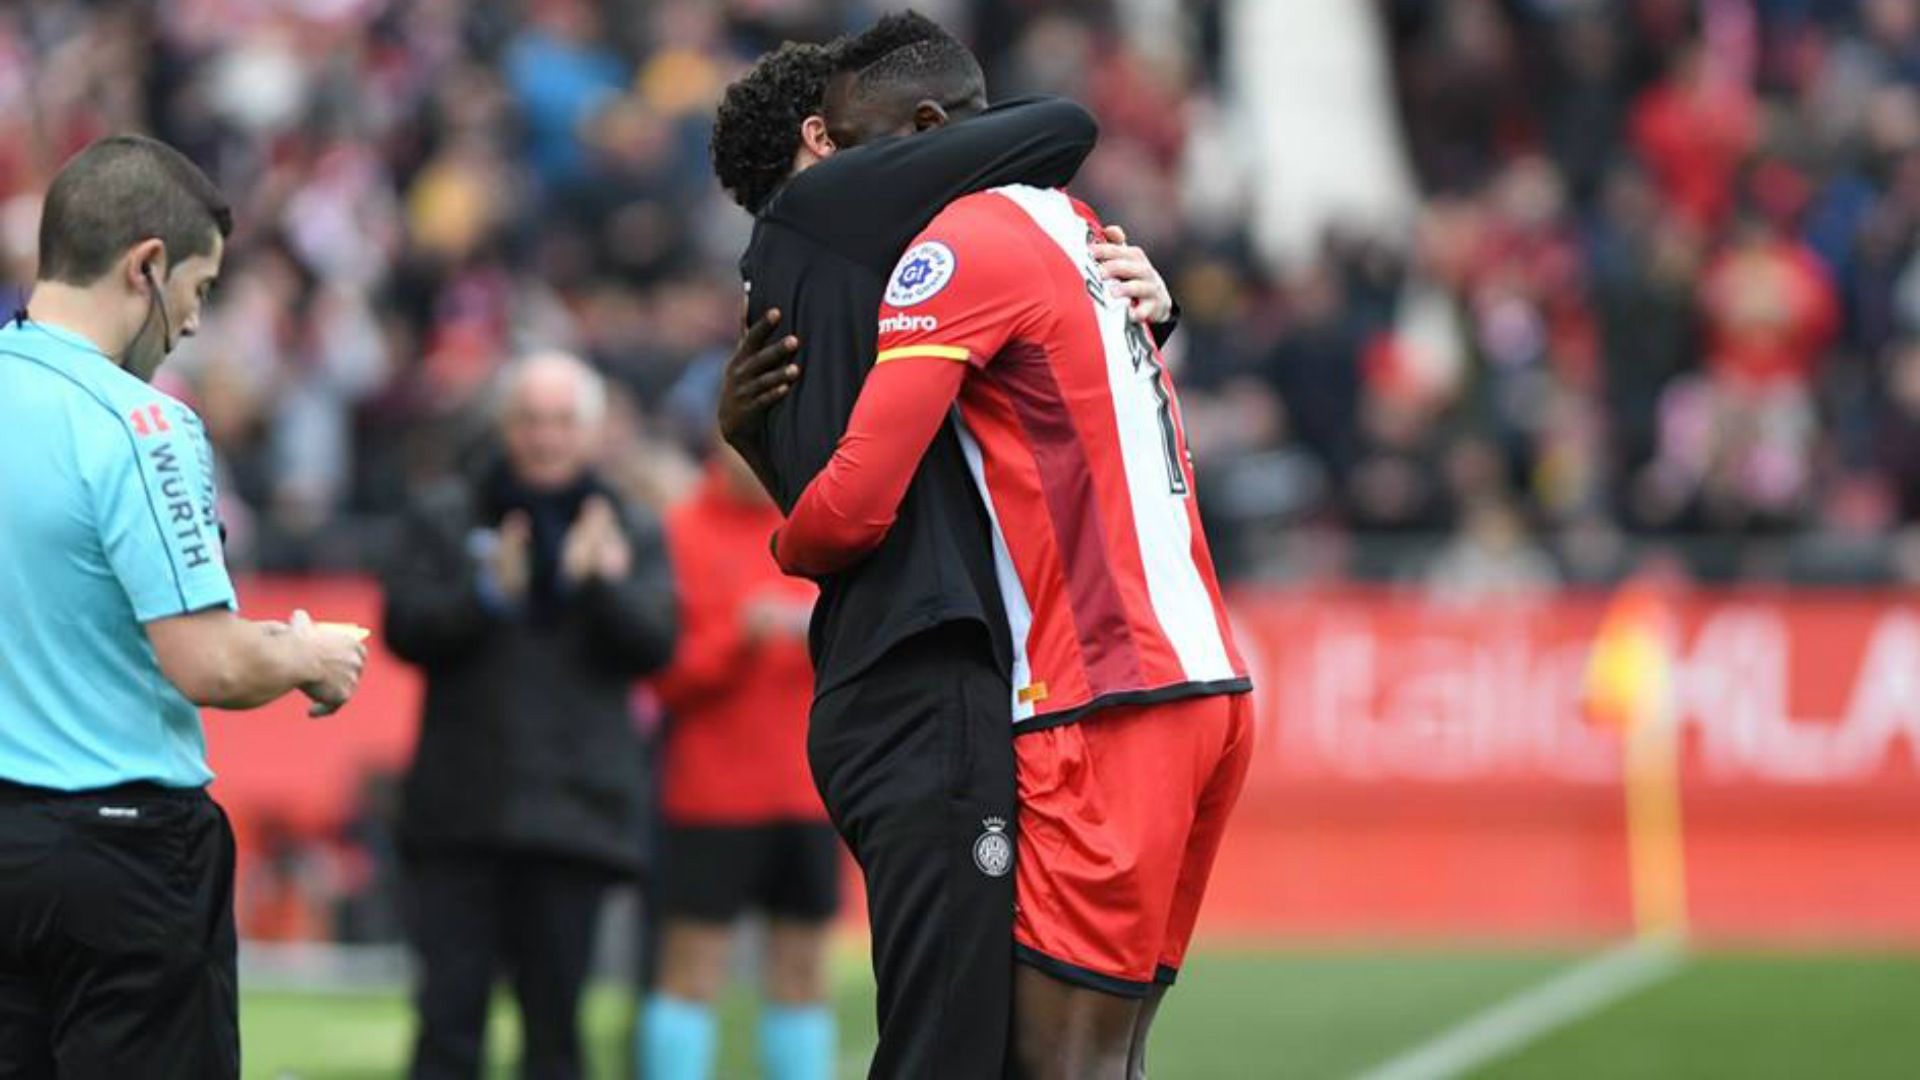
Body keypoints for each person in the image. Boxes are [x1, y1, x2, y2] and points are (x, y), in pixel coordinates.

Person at [708, 19, 1169, 1076]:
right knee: (952, 1049)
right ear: (823, 143)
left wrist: (1143, 309)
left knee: (1010, 1039)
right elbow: (1064, 125)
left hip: (900, 680)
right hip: (926, 689)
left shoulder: (822, 290)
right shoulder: (831, 209)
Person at [769, 84, 1255, 1080]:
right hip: (1204, 684)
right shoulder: (1077, 227)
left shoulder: (955, 246)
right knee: (1112, 1058)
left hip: (1106, 694)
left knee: (1054, 1068)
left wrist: (784, 536)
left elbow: (858, 502)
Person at [0, 134, 368, 1079]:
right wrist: (307, 655)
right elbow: (208, 663)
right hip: (120, 852)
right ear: (147, 266)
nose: (195, 325)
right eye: (199, 291)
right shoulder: (144, 423)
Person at [381, 350, 678, 1080]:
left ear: (591, 431)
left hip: (574, 817)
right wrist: (484, 595)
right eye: (530, 420)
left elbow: (658, 645)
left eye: (561, 422)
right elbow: (402, 627)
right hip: (461, 814)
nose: (545, 438)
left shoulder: (627, 526)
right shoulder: (448, 514)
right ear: (505, 425)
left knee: (555, 1037)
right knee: (448, 1026)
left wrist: (601, 586)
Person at [642, 432, 835, 1080]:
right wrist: (740, 637)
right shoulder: (679, 532)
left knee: (802, 972)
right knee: (690, 972)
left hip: (811, 791)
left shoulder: (823, 519)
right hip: (710, 795)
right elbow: (662, 673)